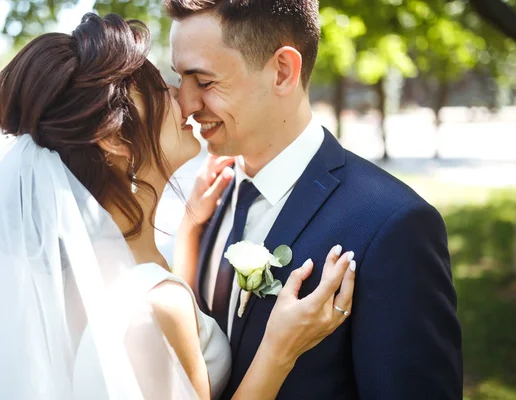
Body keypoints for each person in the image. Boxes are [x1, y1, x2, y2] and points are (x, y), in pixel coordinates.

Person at [0, 13, 356, 400]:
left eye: (200, 81)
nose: (185, 99)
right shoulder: (153, 306)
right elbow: (153, 319)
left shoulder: (86, 268)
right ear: (113, 137)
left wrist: (189, 230)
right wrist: (279, 350)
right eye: (161, 87)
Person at [167, 0, 463, 399]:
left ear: (283, 71)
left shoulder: (391, 225)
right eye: (180, 79)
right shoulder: (207, 202)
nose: (185, 104)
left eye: (203, 82)